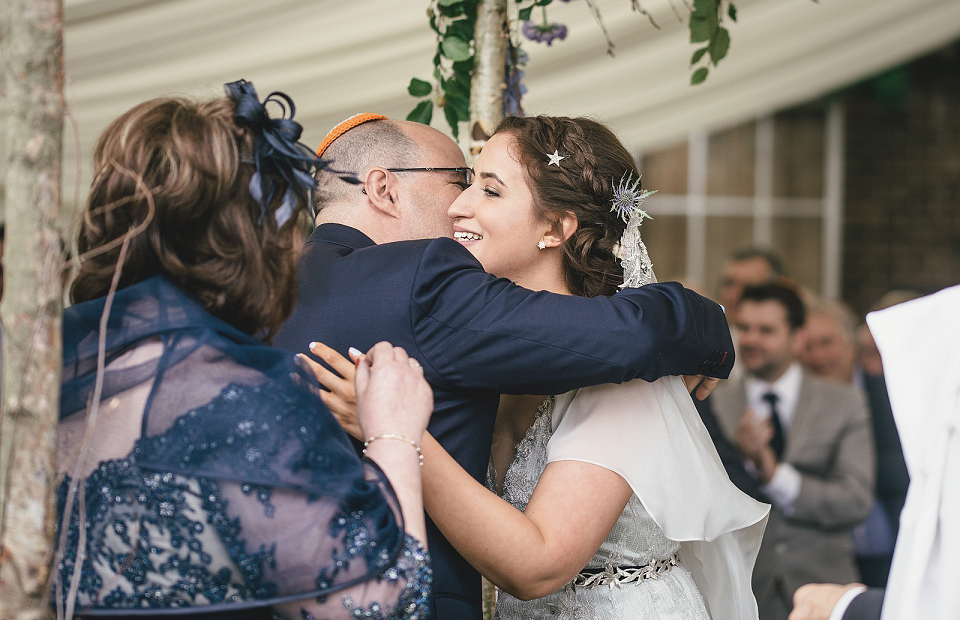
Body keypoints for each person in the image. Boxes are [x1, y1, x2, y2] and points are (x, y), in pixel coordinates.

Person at [273, 115, 735, 620]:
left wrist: (392, 430)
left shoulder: (617, 374)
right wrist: (705, 323)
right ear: (382, 188)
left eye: (488, 190)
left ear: (556, 228)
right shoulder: (448, 311)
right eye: (461, 181)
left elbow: (537, 564)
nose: (459, 206)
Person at [56, 82, 433, 619]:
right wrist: (394, 435)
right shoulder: (243, 407)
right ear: (254, 243)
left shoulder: (54, 385)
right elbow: (385, 610)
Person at [789, 284, 960, 620]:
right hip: (832, 560)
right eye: (808, 347)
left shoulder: (894, 396)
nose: (819, 356)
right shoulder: (795, 406)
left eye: (827, 343)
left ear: (850, 347)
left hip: (897, 553)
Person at [711, 284, 874, 620]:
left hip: (825, 590)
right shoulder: (714, 402)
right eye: (745, 328)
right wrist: (740, 461)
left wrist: (774, 474)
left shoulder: (843, 402)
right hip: (743, 592)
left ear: (798, 338)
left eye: (766, 330)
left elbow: (856, 500)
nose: (751, 339)